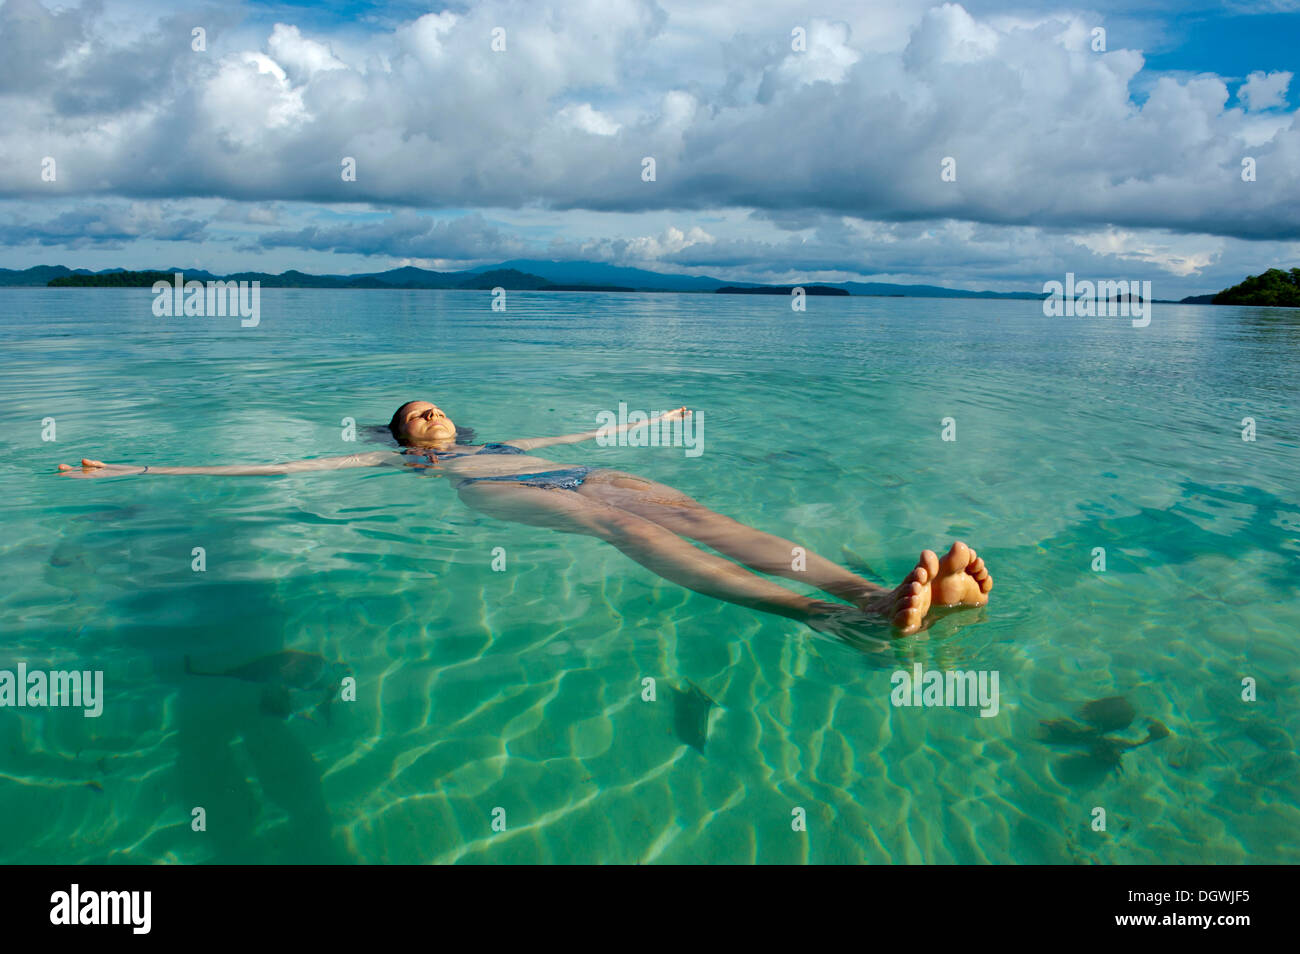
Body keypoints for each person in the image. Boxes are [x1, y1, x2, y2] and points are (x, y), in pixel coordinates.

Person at [58, 400, 992, 641]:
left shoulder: (495, 434)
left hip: (580, 465)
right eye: (413, 417)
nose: (429, 419)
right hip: (526, 493)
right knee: (636, 533)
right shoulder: (424, 461)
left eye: (434, 411)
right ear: (404, 440)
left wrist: (650, 425)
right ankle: (844, 623)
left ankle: (871, 594)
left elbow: (583, 432)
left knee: (699, 512)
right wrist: (134, 468)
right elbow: (283, 465)